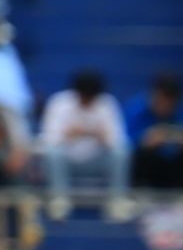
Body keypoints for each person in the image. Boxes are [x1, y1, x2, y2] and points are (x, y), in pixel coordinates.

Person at [40, 69, 133, 218]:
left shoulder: (107, 104)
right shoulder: (59, 103)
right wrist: (69, 135)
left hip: (97, 160)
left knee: (121, 151)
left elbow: (118, 140)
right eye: (85, 98)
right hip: (68, 160)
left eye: (92, 98)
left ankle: (117, 200)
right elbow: (47, 139)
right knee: (53, 152)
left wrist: (100, 136)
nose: (88, 102)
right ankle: (59, 200)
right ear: (76, 93)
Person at [128, 73, 183, 192]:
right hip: (149, 164)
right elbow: (127, 140)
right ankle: (141, 192)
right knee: (140, 154)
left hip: (175, 162)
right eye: (161, 101)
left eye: (169, 103)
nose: (165, 106)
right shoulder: (136, 109)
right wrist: (146, 139)